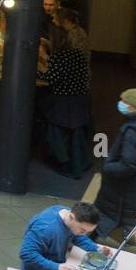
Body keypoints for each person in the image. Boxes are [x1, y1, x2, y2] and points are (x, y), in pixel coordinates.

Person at [37, 22, 93, 178]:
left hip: (62, 103)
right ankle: (76, 160)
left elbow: (51, 78)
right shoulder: (77, 54)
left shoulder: (59, 56)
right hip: (79, 100)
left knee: (53, 130)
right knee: (74, 134)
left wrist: (38, 66)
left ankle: (63, 161)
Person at [95, 87, 136, 238]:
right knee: (135, 221)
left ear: (134, 107)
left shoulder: (132, 133)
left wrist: (108, 167)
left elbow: (129, 164)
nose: (121, 103)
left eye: (125, 101)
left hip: (123, 187)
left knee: (106, 216)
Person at [19, 201, 108, 270]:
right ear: (71, 217)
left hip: (58, 265)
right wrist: (57, 267)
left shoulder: (69, 215)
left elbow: (76, 235)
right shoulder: (44, 228)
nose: (83, 233)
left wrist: (96, 248)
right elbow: (27, 254)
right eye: (82, 230)